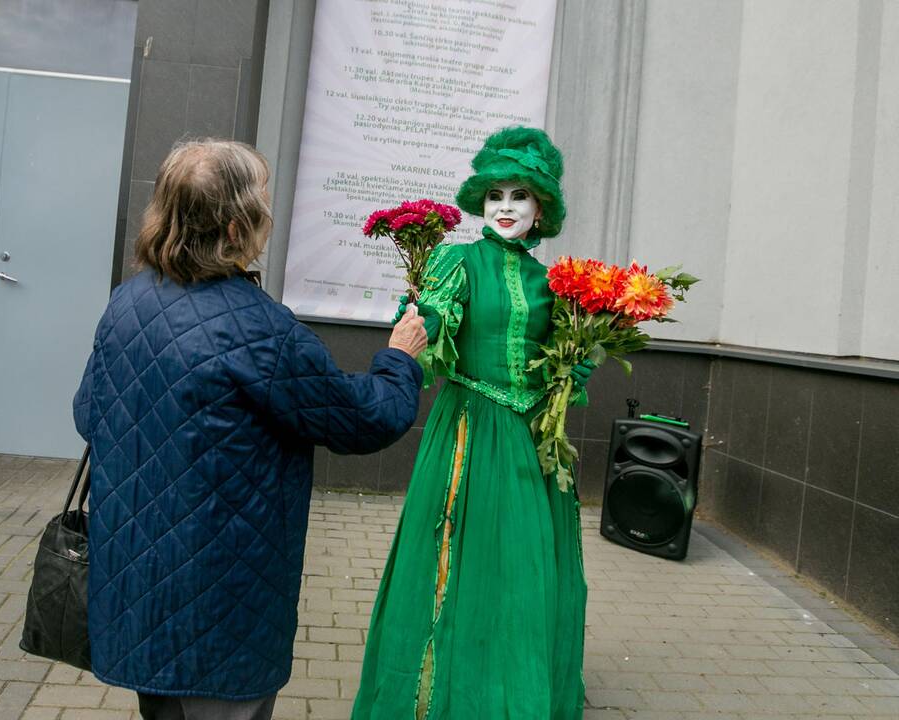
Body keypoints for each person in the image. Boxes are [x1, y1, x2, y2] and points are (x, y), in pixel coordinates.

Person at [73, 139, 428, 720]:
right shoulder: (261, 330)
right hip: (220, 599)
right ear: (237, 229)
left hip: (139, 581)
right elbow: (364, 418)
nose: (270, 209)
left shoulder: (128, 301)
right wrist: (400, 358)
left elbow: (88, 413)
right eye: (263, 198)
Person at [351, 126, 595, 719]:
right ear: (481, 202)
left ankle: (511, 684)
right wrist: (419, 317)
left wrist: (576, 360)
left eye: (520, 197)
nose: (506, 208)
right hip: (468, 429)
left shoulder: (553, 283)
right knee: (457, 557)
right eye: (496, 196)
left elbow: (561, 363)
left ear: (542, 210)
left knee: (522, 566)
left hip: (530, 441)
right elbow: (433, 320)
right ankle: (439, 693)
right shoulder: (456, 261)